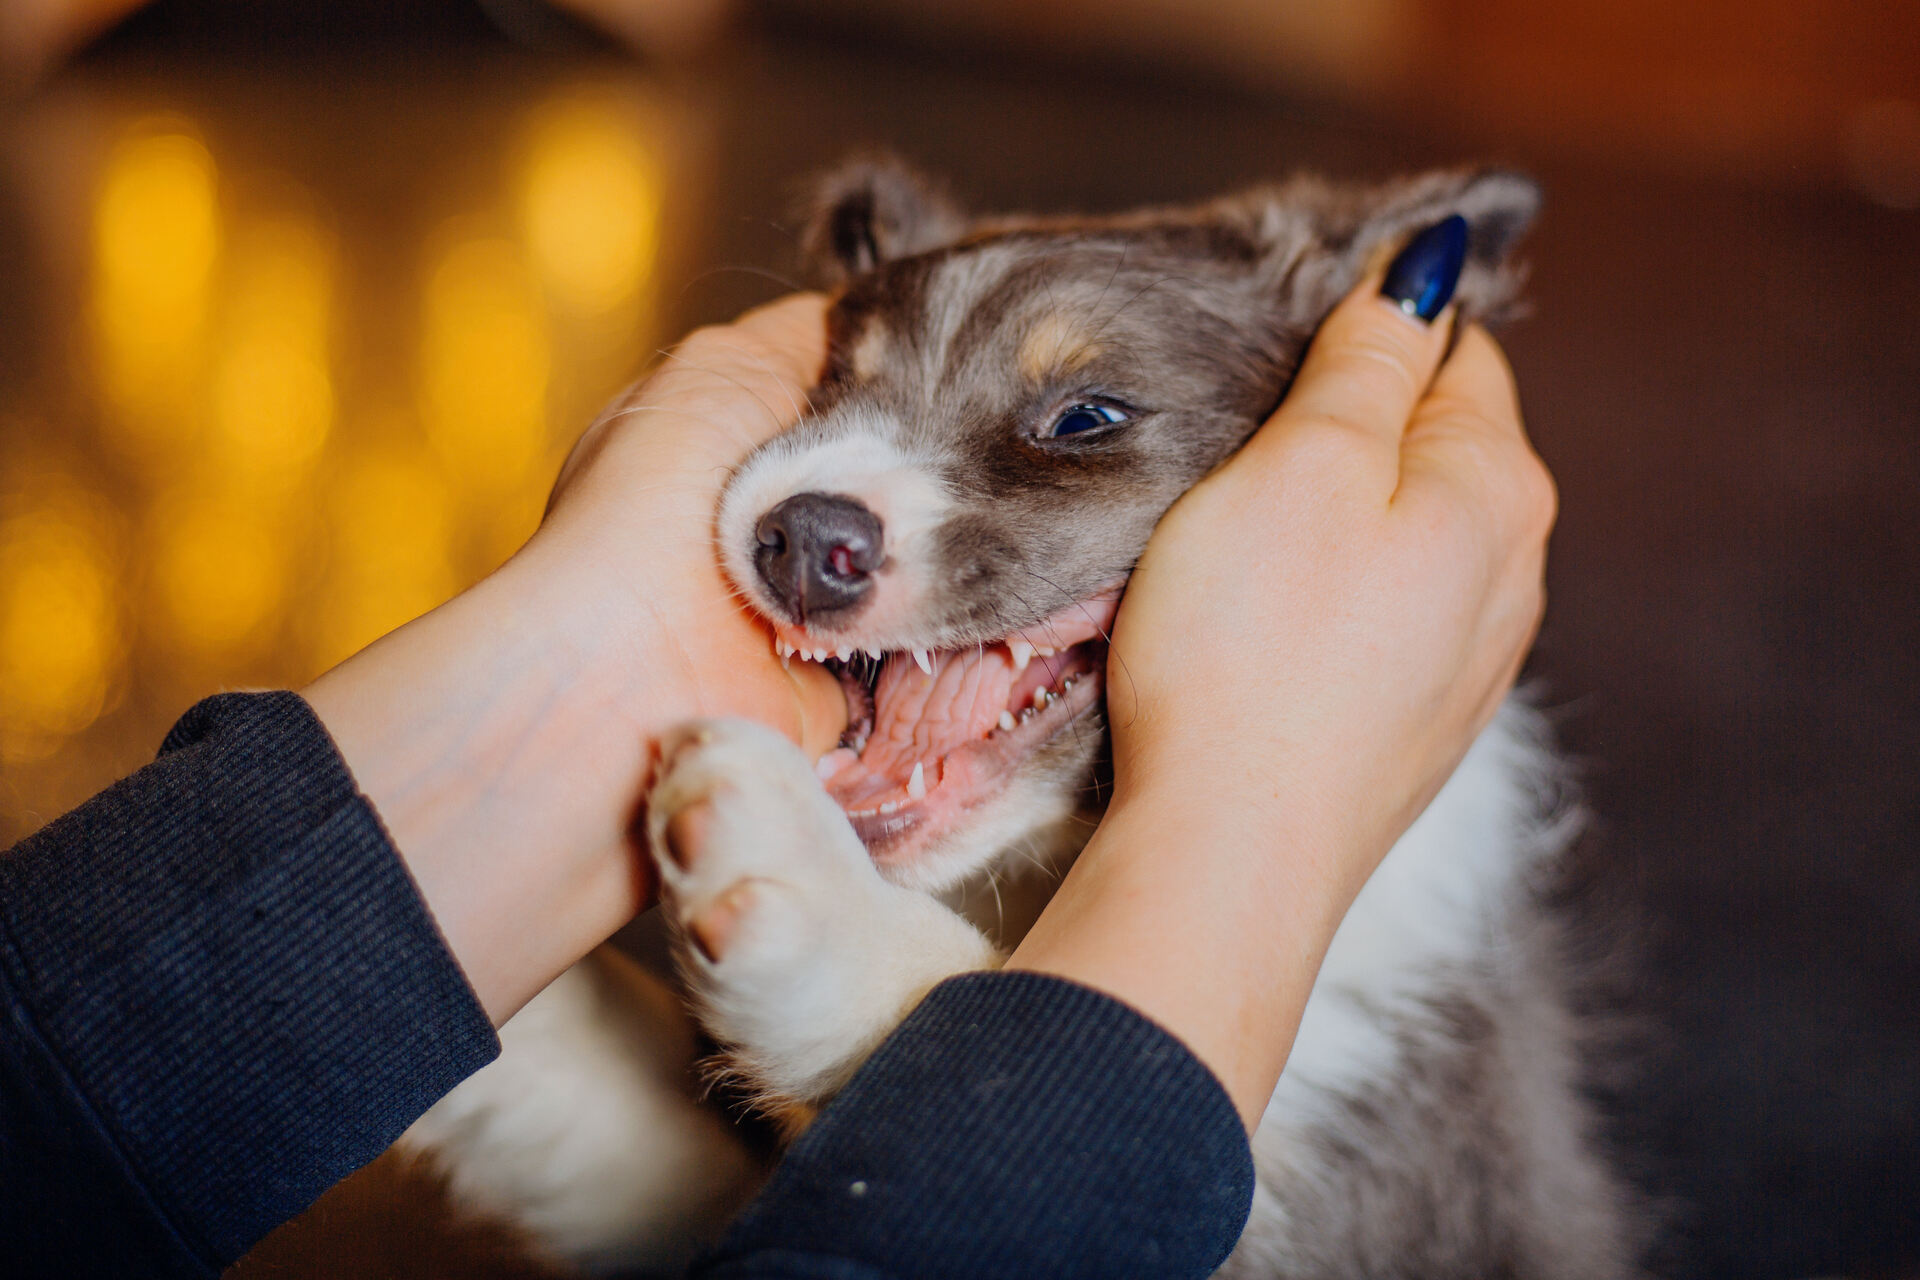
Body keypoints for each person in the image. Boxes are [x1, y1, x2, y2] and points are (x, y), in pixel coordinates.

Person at [0, 228, 1553, 1278]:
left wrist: (368, 916)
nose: (840, 489)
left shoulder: (1418, 982)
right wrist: (1238, 843)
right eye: (850, 399)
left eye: (1081, 421)